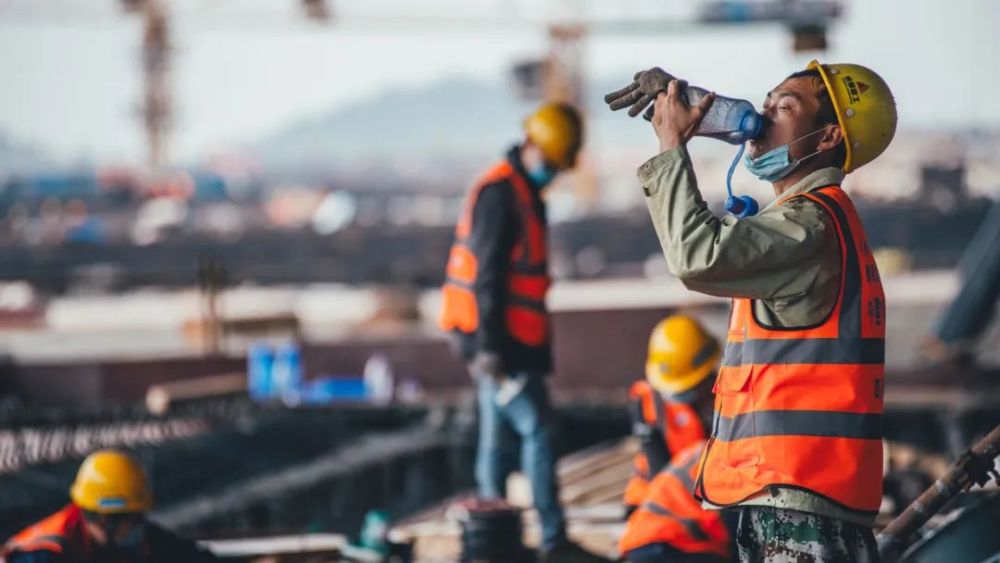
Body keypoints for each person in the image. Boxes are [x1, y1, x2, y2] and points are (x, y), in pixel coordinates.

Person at [618, 61, 895, 561]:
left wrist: (672, 147)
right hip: (804, 491)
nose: (764, 117)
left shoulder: (810, 224)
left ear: (827, 135)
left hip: (799, 492)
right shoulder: (817, 221)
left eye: (784, 107)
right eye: (765, 103)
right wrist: (690, 99)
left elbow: (696, 256)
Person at [439, 103, 603, 562]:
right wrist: (490, 348)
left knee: (496, 439)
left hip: (510, 340)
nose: (552, 172)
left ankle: (493, 539)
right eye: (551, 162)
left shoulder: (522, 192)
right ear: (531, 146)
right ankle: (551, 540)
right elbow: (486, 277)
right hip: (496, 343)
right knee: (539, 431)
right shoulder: (500, 194)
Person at [2, 449, 220, 563]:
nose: (140, 526)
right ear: (105, 519)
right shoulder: (42, 557)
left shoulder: (126, 540)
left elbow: (190, 557)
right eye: (133, 519)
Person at [623, 315, 717, 516]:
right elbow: (656, 470)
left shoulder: (725, 399)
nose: (681, 397)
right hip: (659, 500)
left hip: (705, 498)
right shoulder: (650, 404)